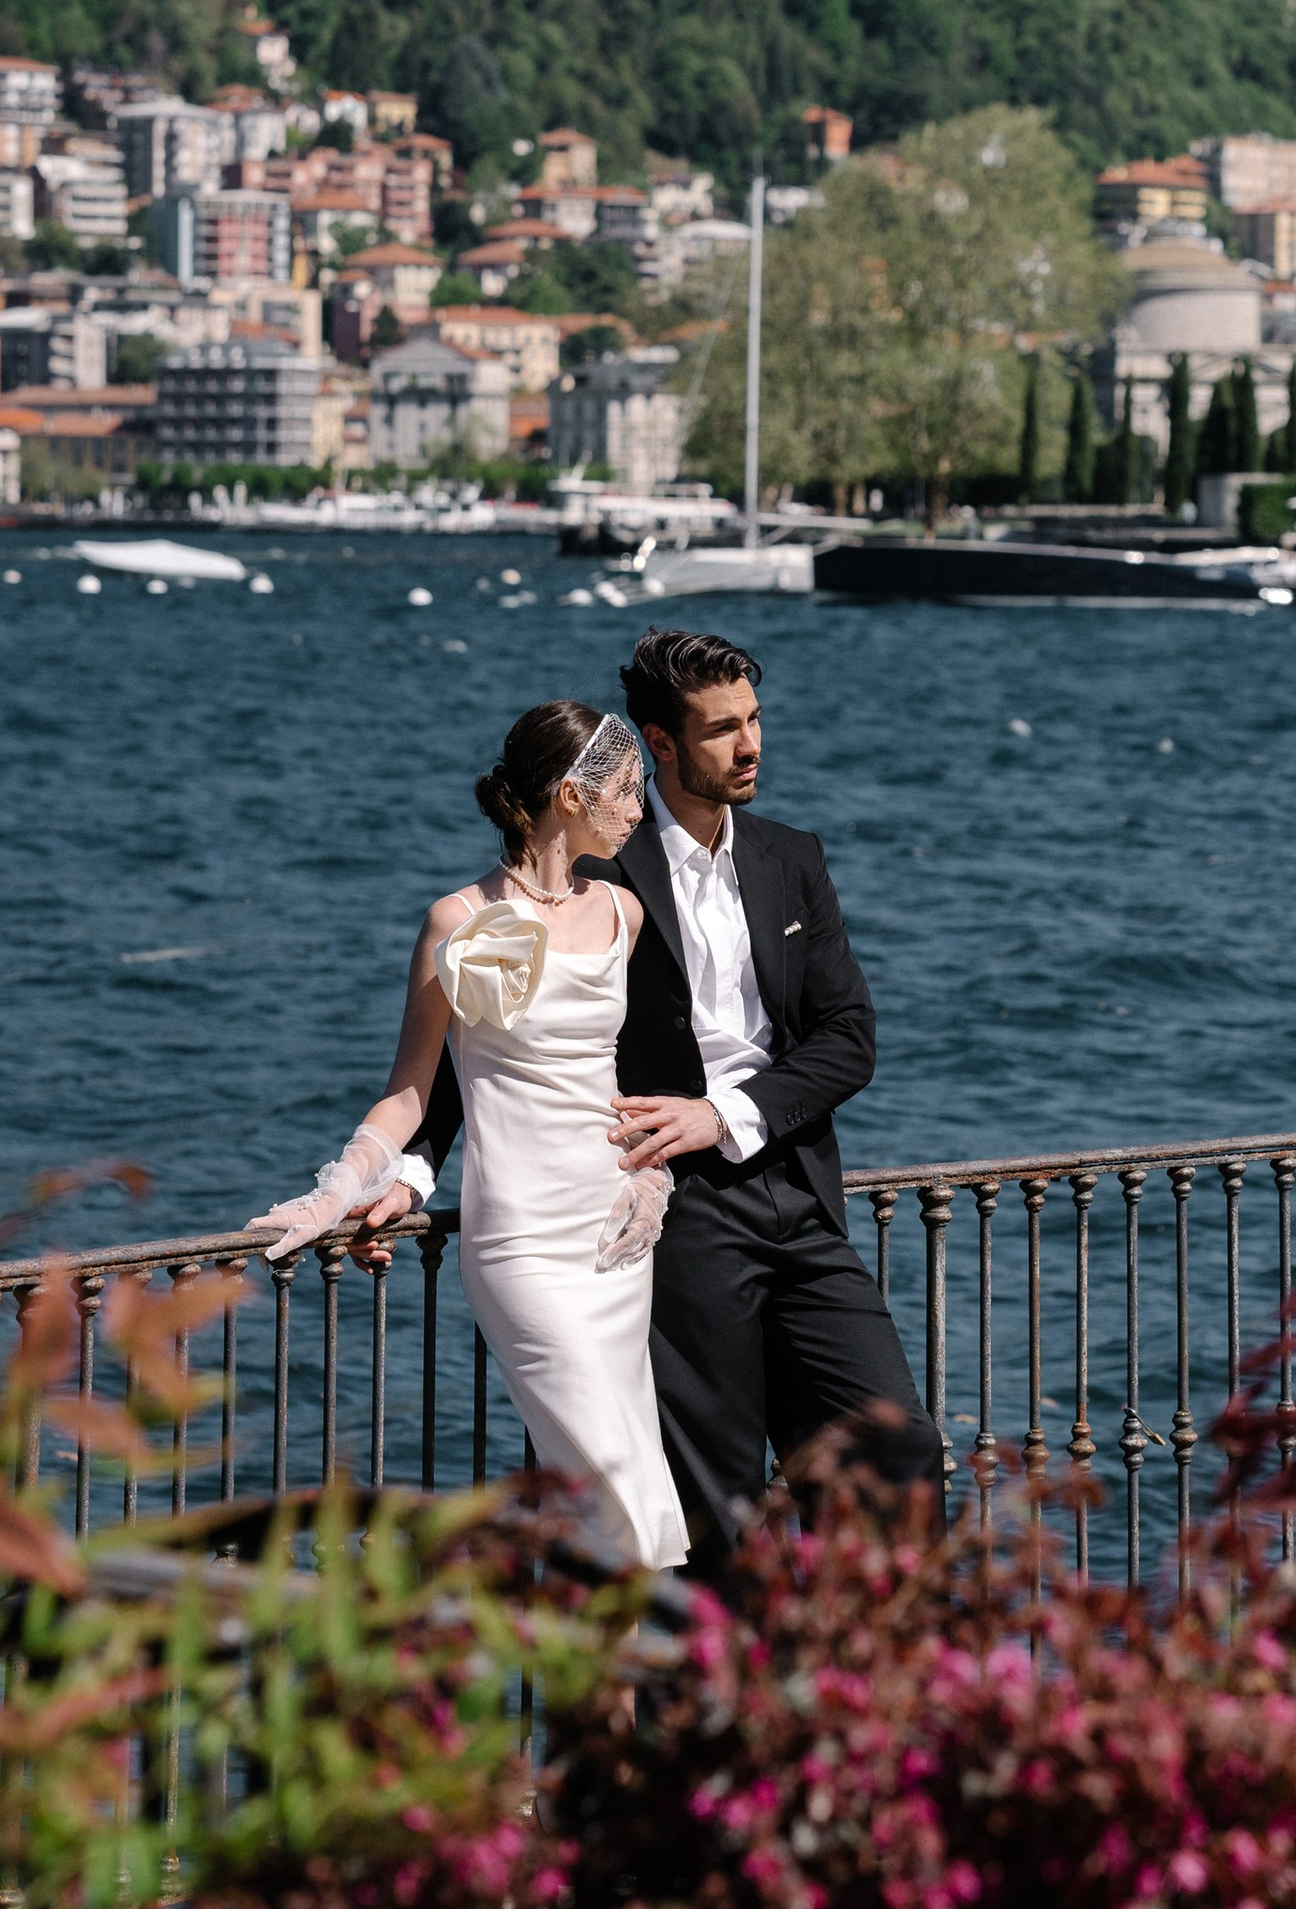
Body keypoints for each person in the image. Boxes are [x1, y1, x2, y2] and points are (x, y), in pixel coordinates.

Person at [371, 626, 944, 1573]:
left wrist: (727, 1114)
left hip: (796, 1190)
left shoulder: (793, 858)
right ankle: (729, 1663)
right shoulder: (595, 871)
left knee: (898, 1444)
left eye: (753, 720)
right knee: (714, 1492)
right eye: (722, 729)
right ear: (661, 743)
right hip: (667, 1203)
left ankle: (865, 1651)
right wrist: (407, 1171)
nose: (750, 745)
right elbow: (497, 1041)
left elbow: (849, 1036)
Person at [248, 701, 688, 1573]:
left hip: (614, 1237)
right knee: (616, 1481)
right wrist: (339, 1190)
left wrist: (652, 1175)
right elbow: (410, 1092)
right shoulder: (456, 920)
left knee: (619, 1481)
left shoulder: (625, 912)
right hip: (522, 1241)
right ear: (572, 795)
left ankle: (604, 1655)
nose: (640, 808)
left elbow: (637, 1075)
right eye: (627, 789)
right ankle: (672, 1645)